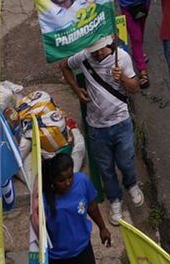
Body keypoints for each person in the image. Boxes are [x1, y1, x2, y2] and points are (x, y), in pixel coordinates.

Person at [61, 39, 144, 225]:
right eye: (93, 51)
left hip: (121, 122)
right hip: (97, 127)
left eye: (100, 50)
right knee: (106, 169)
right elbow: (64, 66)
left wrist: (121, 77)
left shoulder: (121, 57)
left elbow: (135, 88)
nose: (97, 54)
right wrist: (76, 89)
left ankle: (131, 184)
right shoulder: (83, 57)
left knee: (126, 161)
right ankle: (115, 199)